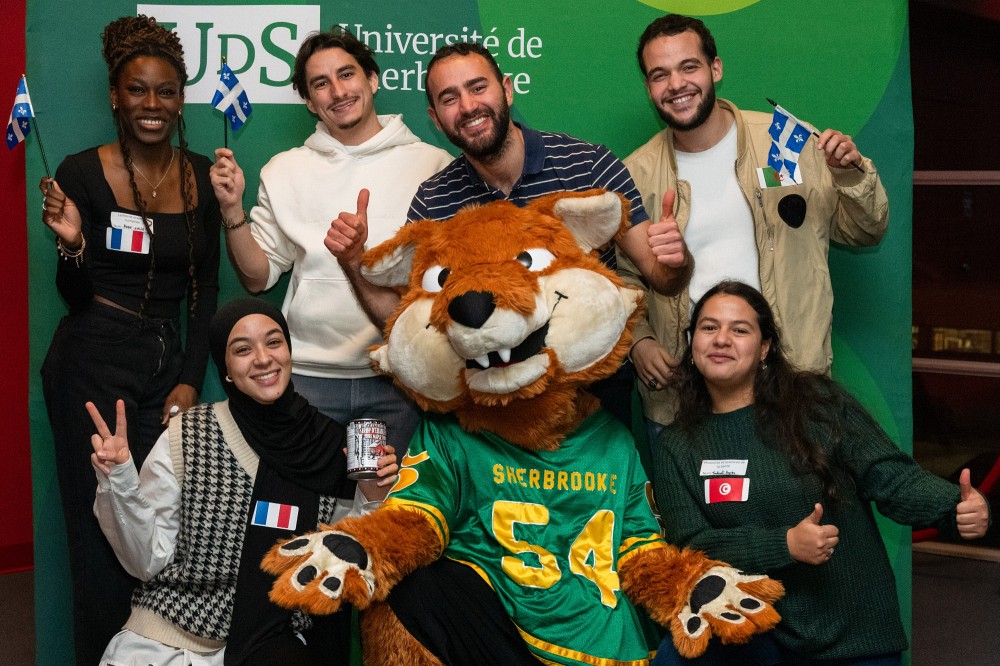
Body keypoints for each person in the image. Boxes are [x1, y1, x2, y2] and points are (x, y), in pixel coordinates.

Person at [326, 41, 691, 428]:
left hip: (592, 406)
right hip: (490, 414)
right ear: (435, 118)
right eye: (449, 98)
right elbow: (413, 321)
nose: (467, 107)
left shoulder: (588, 165)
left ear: (507, 89)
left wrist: (675, 260)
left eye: (478, 87)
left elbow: (663, 278)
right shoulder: (434, 199)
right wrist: (352, 262)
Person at [651, 281, 991, 665]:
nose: (721, 339)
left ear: (765, 348)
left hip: (852, 633)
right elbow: (692, 546)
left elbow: (891, 477)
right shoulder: (675, 446)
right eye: (709, 328)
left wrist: (954, 508)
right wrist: (785, 546)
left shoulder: (817, 404)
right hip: (756, 636)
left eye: (740, 329)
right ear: (692, 344)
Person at [38, 15, 220, 663]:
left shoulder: (200, 175)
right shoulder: (81, 173)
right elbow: (75, 296)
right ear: (116, 96)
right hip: (92, 357)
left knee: (155, 525)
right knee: (97, 530)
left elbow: (205, 293)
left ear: (180, 99)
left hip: (162, 365)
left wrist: (189, 378)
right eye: (138, 91)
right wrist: (75, 248)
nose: (152, 105)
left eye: (166, 91)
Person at [623, 14, 890, 444]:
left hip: (793, 385)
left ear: (716, 69)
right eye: (659, 74)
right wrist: (640, 342)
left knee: (806, 511)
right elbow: (619, 278)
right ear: (649, 87)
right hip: (685, 398)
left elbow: (865, 232)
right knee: (688, 514)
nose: (676, 84)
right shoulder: (635, 175)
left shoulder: (787, 142)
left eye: (688, 67)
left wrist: (852, 175)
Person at [89, 298, 399, 665]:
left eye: (273, 342)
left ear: (288, 352)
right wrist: (122, 480)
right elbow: (147, 561)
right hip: (175, 637)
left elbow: (356, 559)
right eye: (242, 349)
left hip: (274, 642)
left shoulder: (332, 448)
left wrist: (373, 494)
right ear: (226, 370)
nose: (263, 358)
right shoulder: (189, 435)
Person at [210, 27, 451, 456]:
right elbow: (258, 277)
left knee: (382, 512)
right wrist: (232, 209)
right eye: (321, 83)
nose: (337, 91)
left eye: (347, 75)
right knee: (308, 513)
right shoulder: (284, 170)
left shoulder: (434, 166)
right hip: (307, 382)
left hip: (396, 382)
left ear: (372, 80)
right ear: (309, 101)